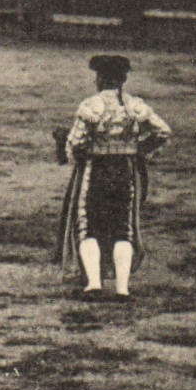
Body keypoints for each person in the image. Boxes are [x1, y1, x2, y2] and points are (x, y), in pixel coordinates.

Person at [56, 54, 172, 301]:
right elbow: (163, 131)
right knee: (122, 230)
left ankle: (94, 284)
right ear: (122, 80)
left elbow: (75, 143)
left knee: (88, 227)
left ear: (99, 79)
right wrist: (139, 150)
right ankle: (122, 288)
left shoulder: (91, 105)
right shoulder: (134, 107)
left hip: (96, 169)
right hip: (125, 171)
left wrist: (76, 156)